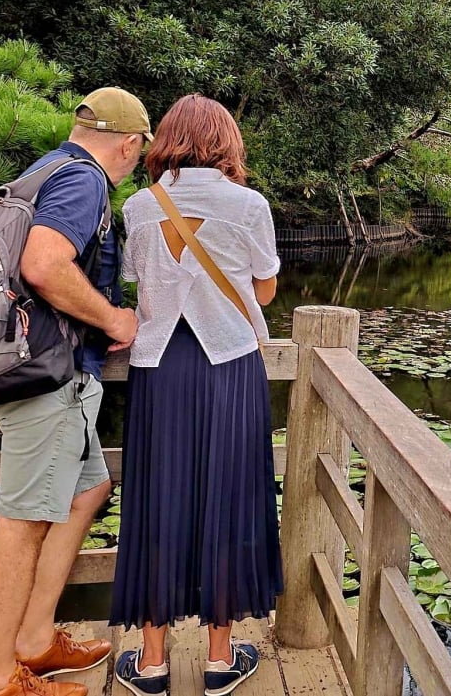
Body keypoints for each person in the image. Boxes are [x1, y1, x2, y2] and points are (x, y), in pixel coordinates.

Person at [0, 88, 153, 696]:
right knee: (21, 523)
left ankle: (36, 640)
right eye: (138, 152)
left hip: (43, 374)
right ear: (129, 143)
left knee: (88, 489)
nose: (136, 163)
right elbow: (46, 265)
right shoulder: (85, 182)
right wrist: (112, 318)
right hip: (51, 379)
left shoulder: (45, 168)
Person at [110, 95, 283, 696]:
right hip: (229, 367)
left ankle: (151, 663)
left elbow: (136, 283)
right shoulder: (250, 205)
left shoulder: (137, 206)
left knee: (158, 500)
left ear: (166, 142)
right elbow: (263, 293)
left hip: (159, 370)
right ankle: (217, 659)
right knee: (228, 499)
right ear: (226, 142)